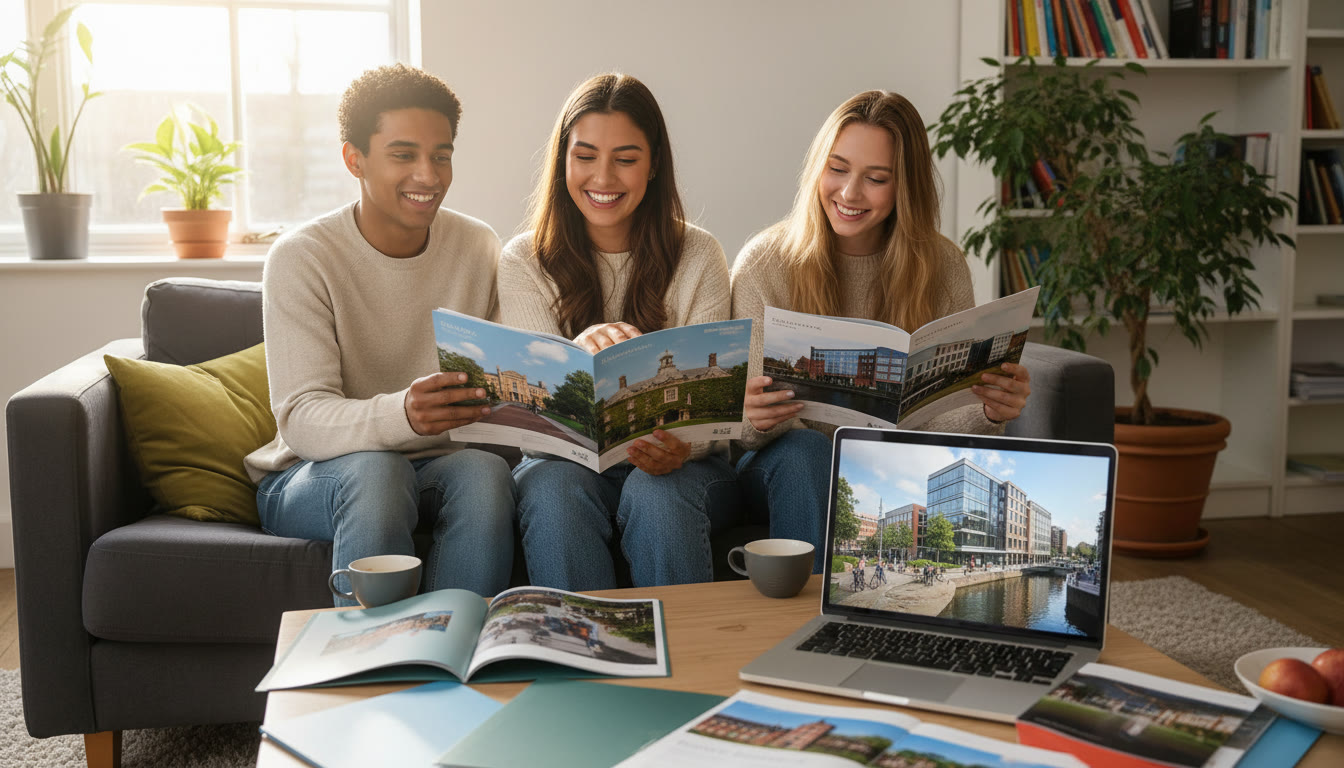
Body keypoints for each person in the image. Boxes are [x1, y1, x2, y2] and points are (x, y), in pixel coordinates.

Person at [245, 64, 515, 606]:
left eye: (442, 155)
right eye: (403, 154)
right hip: (312, 474)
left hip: (442, 462)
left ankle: (456, 654)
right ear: (355, 160)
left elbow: (501, 390)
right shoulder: (303, 258)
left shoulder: (478, 247)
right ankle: (373, 674)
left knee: (486, 473)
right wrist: (404, 415)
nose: (429, 175)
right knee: (377, 471)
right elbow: (301, 420)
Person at [731, 90, 1033, 573]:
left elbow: (938, 417)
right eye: (837, 168)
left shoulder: (943, 264)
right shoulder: (765, 263)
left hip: (884, 469)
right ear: (817, 170)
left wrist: (988, 408)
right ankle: (810, 626)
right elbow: (745, 435)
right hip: (780, 461)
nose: (849, 193)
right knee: (807, 450)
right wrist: (752, 413)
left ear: (904, 189)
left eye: (876, 179)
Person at [497, 73, 737, 590]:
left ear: (653, 166)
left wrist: (684, 446)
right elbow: (533, 426)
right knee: (552, 490)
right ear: (563, 161)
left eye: (625, 159)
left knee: (660, 495)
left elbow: (718, 409)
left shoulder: (699, 254)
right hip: (567, 465)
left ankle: (686, 663)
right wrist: (574, 357)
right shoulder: (523, 260)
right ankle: (582, 659)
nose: (603, 177)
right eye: (584, 156)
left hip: (682, 468)